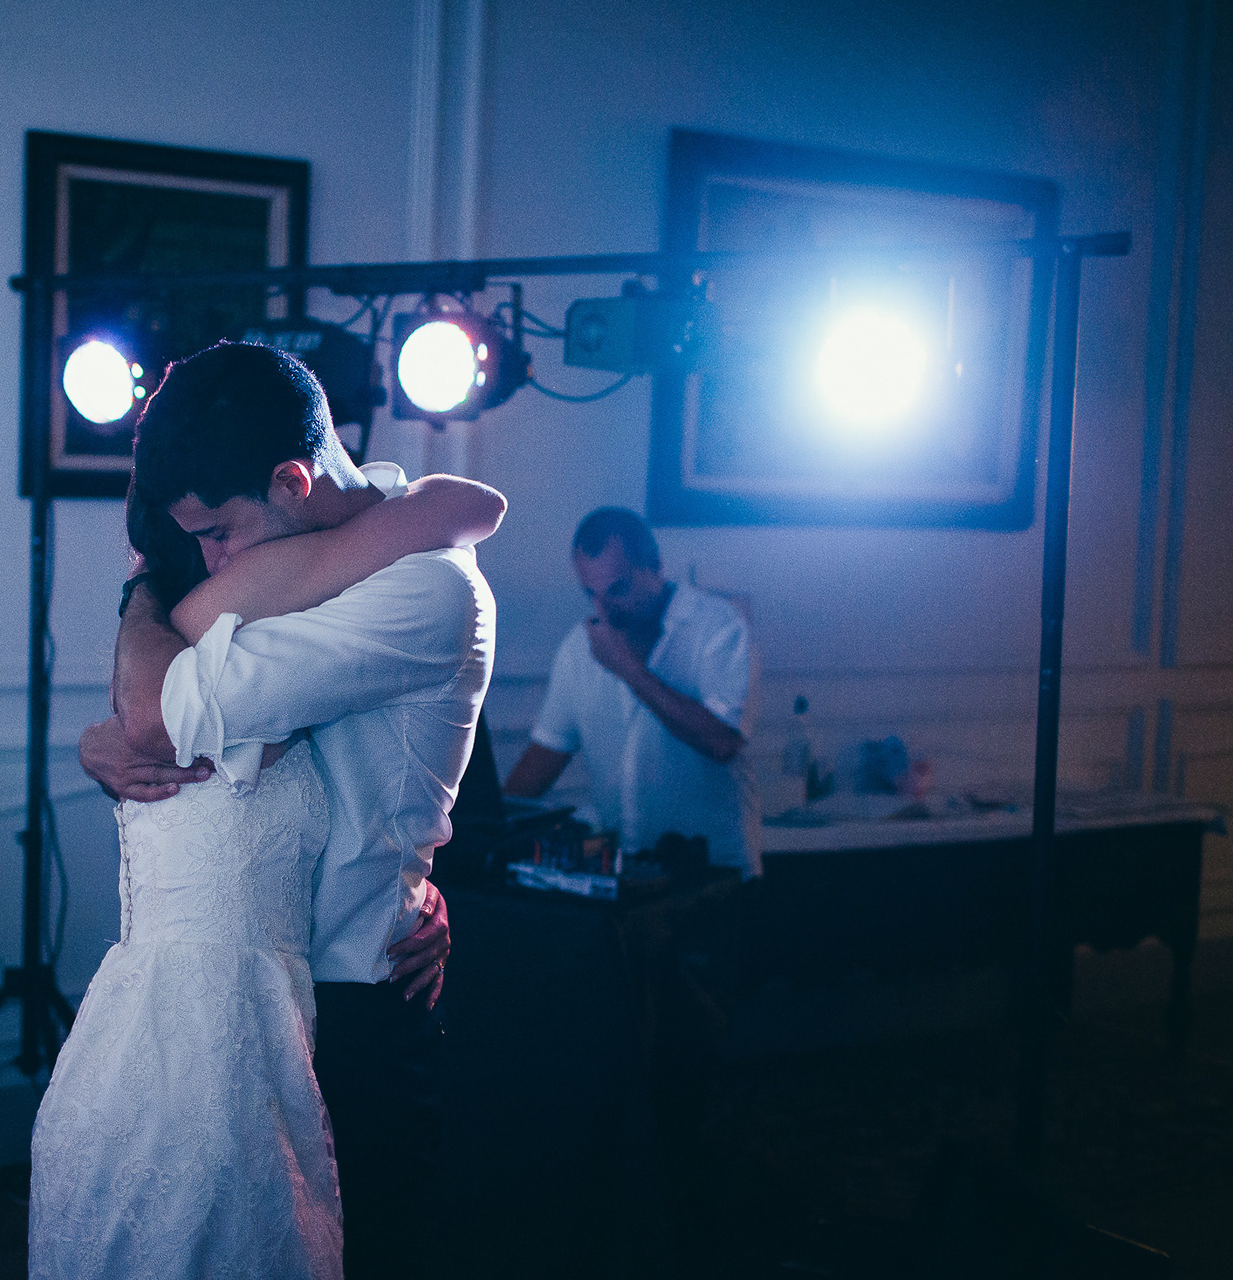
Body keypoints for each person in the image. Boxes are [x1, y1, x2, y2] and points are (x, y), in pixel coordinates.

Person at [37, 343, 501, 1279]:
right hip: (254, 1003)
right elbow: (180, 743)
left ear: (293, 481)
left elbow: (163, 713)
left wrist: (141, 591)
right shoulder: (327, 556)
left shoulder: (420, 584)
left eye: (217, 534)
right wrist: (105, 748)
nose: (206, 566)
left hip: (353, 1002)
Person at [504, 506, 760, 877]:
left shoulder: (718, 626)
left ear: (655, 566)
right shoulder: (580, 646)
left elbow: (722, 741)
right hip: (630, 876)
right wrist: (484, 827)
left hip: (716, 874)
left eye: (617, 589)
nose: (603, 609)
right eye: (590, 593)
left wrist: (627, 668)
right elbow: (546, 754)